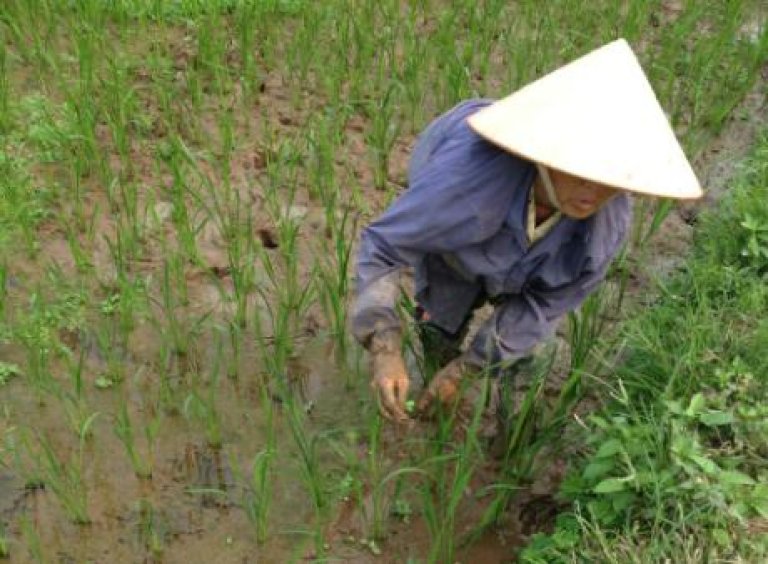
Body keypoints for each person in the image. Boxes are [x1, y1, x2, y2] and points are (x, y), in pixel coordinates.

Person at [351, 39, 703, 422]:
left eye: (609, 180)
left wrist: (468, 370)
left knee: (519, 359)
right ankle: (433, 370)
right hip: (455, 247)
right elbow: (385, 245)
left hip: (528, 269)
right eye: (581, 171)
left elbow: (547, 303)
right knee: (439, 320)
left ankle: (491, 412)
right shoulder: (464, 183)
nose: (593, 192)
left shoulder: (607, 224)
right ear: (547, 154)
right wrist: (384, 347)